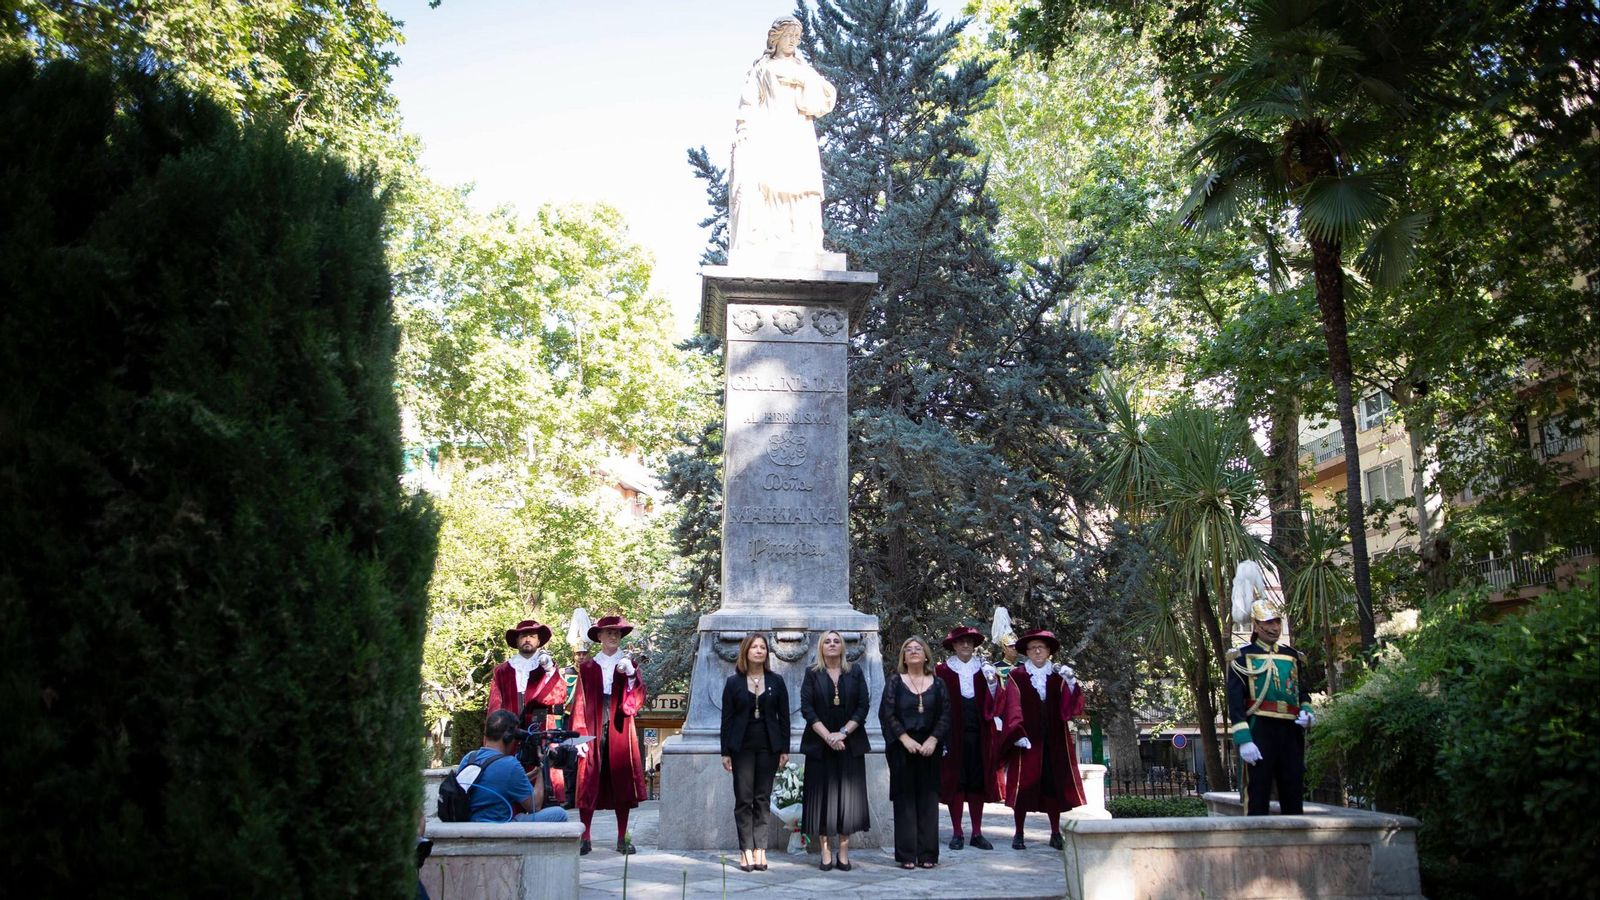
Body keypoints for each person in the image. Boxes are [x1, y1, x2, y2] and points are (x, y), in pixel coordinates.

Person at [728, 15, 837, 257]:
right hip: (770, 132)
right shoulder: (762, 69)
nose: (792, 41)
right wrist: (744, 131)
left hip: (797, 133)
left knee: (802, 186)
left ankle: (805, 242)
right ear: (776, 38)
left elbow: (825, 99)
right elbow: (748, 103)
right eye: (788, 36)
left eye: (797, 37)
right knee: (769, 183)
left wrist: (802, 80)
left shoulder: (803, 70)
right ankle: (770, 238)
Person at [1226, 598, 1314, 815]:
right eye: (1268, 623)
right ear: (1256, 625)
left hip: (1290, 730)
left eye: (1277, 622)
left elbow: (1302, 691)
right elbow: (1235, 703)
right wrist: (1244, 740)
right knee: (1258, 791)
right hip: (1260, 729)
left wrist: (1307, 711)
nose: (1274, 627)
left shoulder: (1292, 656)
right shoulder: (1241, 656)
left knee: (1293, 788)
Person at [1000, 628, 1085, 850]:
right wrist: (1017, 733)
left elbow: (1072, 707)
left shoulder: (1059, 676)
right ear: (1026, 652)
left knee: (1053, 786)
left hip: (1055, 739)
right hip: (1027, 739)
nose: (1037, 651)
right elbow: (1012, 705)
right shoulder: (1016, 676)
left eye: (1041, 647)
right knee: (1022, 788)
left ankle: (1055, 832)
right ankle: (1019, 833)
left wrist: (1072, 683)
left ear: (1049, 651)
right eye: (1032, 648)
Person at [572, 614, 647, 855]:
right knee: (588, 778)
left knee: (622, 780)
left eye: (617, 632)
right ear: (600, 637)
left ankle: (622, 837)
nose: (613, 636)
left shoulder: (629, 665)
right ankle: (585, 837)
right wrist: (579, 736)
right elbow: (580, 703)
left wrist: (631, 677)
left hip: (620, 724)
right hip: (593, 722)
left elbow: (636, 700)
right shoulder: (587, 667)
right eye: (609, 632)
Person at [719, 633, 792, 872]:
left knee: (762, 798)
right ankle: (745, 850)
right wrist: (725, 752)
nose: (759, 650)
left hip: (769, 746)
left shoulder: (776, 681)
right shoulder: (733, 682)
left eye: (762, 647)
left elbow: (784, 718)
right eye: (754, 647)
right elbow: (726, 720)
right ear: (746, 652)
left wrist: (784, 748)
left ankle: (760, 849)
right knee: (744, 799)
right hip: (741, 747)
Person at [799, 629, 870, 871]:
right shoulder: (812, 673)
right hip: (820, 745)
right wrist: (829, 736)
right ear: (821, 647)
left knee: (846, 801)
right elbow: (807, 709)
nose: (831, 644)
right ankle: (825, 851)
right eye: (827, 641)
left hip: (849, 744)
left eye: (836, 641)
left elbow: (863, 706)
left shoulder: (855, 671)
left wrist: (843, 733)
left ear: (842, 647)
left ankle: (843, 850)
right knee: (822, 800)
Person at [879, 635, 951, 870]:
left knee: (929, 800)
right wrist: (904, 738)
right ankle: (907, 854)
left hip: (930, 747)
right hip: (903, 747)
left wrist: (932, 739)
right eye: (908, 649)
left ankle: (928, 853)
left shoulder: (938, 683)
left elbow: (945, 715)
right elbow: (887, 713)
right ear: (903, 657)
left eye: (918, 648)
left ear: (926, 654)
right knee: (905, 801)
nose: (913, 651)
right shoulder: (895, 682)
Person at [935, 626, 1005, 850]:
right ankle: (957, 832)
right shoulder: (942, 671)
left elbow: (997, 702)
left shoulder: (985, 670)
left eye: (969, 642)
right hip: (952, 735)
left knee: (976, 783)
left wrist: (992, 683)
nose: (966, 645)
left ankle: (976, 832)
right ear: (954, 645)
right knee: (956, 782)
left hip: (979, 734)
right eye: (961, 642)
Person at [486, 618, 568, 805]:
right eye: (523, 636)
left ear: (539, 641)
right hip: (509, 728)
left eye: (532, 636)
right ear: (516, 641)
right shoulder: (502, 671)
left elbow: (560, 695)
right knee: (509, 769)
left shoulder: (548, 667)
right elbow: (494, 705)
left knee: (543, 767)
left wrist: (549, 672)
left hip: (540, 724)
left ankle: (543, 804)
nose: (527, 640)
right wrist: (493, 735)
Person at [456, 710, 570, 823]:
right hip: (496, 827)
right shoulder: (509, 764)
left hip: (469, 822)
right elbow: (534, 806)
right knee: (559, 814)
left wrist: (534, 772)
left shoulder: (469, 758)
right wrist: (542, 768)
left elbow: (500, 781)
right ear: (508, 738)